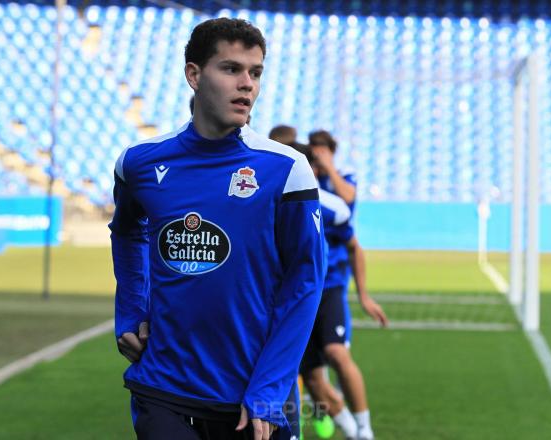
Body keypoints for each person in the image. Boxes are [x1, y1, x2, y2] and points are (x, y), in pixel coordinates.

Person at [109, 18, 325, 440]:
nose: (247, 84)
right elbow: (127, 232)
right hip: (164, 386)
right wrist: (132, 311)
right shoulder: (139, 163)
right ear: (194, 75)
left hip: (255, 395)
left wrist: (269, 386)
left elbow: (305, 280)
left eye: (256, 73)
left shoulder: (286, 169)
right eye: (231, 69)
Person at [302, 133, 387, 440]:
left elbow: (348, 203)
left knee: (337, 354)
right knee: (310, 376)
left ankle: (364, 428)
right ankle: (342, 426)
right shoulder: (298, 184)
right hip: (300, 292)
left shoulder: (337, 188)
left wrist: (363, 295)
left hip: (331, 286)